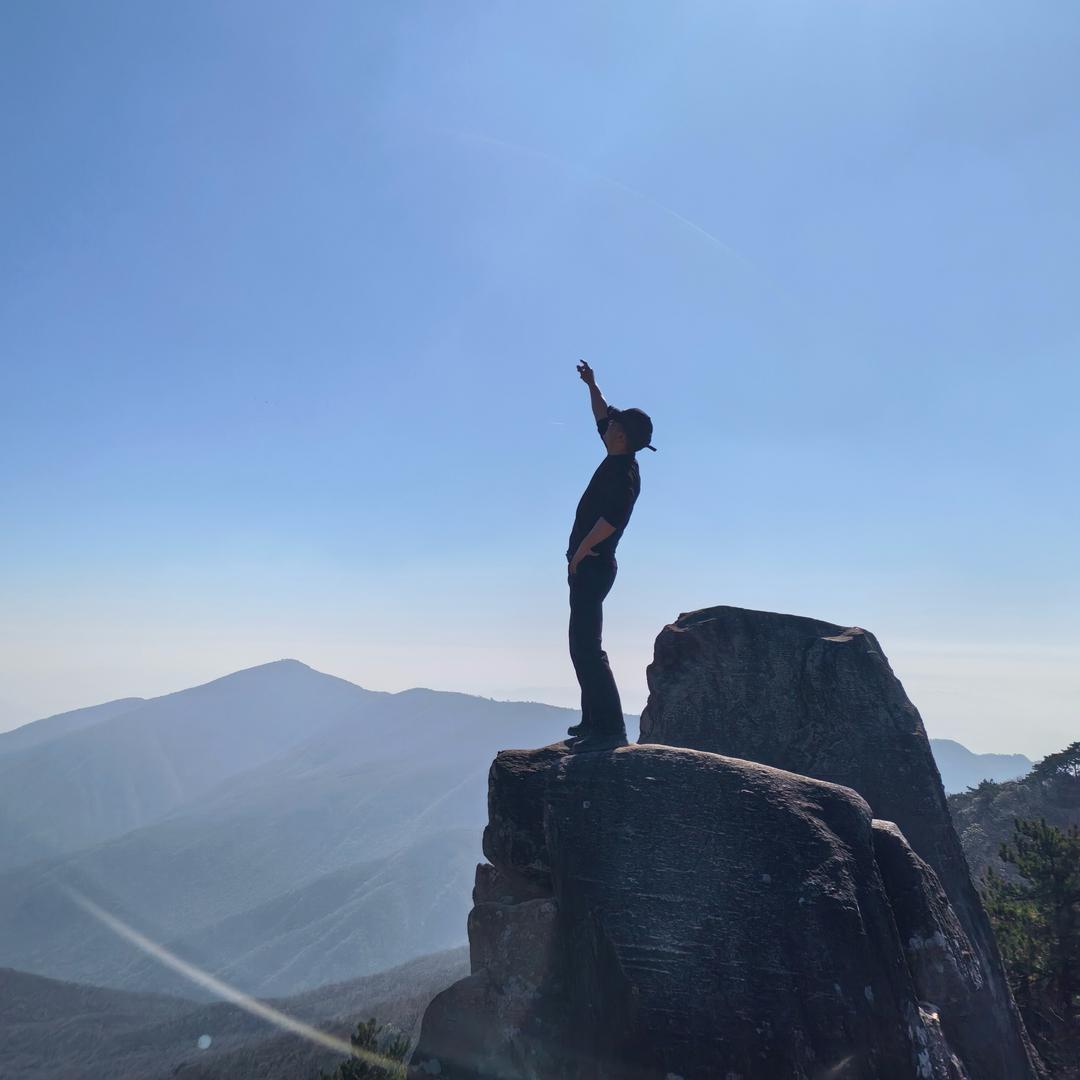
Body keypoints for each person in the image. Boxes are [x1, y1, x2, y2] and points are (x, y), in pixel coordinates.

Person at [565, 360, 655, 747]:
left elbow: (611, 522)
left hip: (594, 565)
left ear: (622, 437)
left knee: (587, 647)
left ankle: (608, 727)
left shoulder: (625, 474)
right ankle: (593, 721)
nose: (608, 425)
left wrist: (580, 554)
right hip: (589, 565)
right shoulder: (619, 454)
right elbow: (602, 411)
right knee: (582, 645)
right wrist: (592, 384)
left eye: (614, 426)